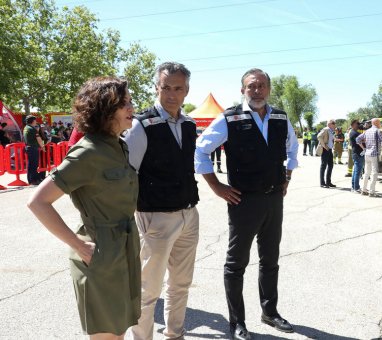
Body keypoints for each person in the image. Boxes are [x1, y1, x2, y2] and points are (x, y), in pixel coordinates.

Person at [27, 77, 139, 339]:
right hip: (100, 253)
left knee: (119, 330)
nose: (132, 107)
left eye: (130, 101)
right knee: (106, 334)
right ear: (105, 109)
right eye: (124, 103)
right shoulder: (87, 152)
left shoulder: (118, 145)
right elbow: (37, 202)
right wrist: (78, 245)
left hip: (125, 248)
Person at [195, 68, 299, 340]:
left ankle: (270, 312)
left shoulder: (279, 116)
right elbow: (201, 149)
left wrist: (287, 175)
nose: (257, 90)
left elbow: (292, 147)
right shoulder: (229, 117)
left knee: (270, 259)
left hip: (274, 199)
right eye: (251, 86)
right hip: (244, 201)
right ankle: (237, 323)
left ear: (269, 89)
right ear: (242, 90)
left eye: (262, 85)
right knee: (236, 263)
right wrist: (216, 186)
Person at [124, 62, 200, 340]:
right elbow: (127, 174)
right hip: (155, 216)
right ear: (156, 88)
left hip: (188, 215)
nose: (171, 93)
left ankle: (175, 334)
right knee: (148, 290)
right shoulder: (141, 125)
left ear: (187, 91)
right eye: (165, 87)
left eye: (177, 88)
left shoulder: (190, 124)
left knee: (181, 284)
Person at [356, 118, 382, 197]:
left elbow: (357, 139)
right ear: (376, 123)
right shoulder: (377, 131)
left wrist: (364, 148)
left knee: (367, 172)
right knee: (374, 173)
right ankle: (372, 192)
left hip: (367, 153)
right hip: (374, 154)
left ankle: (364, 190)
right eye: (379, 122)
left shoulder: (367, 131)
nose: (380, 124)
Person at [23, 115, 41, 185]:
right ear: (33, 121)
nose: (36, 122)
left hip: (29, 147)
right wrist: (42, 146)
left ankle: (30, 180)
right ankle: (34, 180)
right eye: (35, 120)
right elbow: (38, 138)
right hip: (33, 148)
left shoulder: (26, 128)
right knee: (34, 164)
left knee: (30, 164)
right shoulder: (32, 129)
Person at [317, 120, 336, 188]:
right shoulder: (326, 129)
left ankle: (328, 182)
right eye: (333, 123)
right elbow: (319, 136)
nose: (335, 125)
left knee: (330, 165)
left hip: (329, 150)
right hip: (325, 150)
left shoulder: (330, 131)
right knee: (323, 166)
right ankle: (322, 183)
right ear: (329, 124)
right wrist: (324, 146)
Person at [348, 119, 364, 193]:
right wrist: (364, 148)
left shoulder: (353, 132)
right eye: (357, 123)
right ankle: (356, 188)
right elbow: (360, 142)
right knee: (357, 171)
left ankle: (353, 187)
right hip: (358, 153)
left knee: (355, 171)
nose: (359, 125)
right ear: (353, 124)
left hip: (356, 153)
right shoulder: (354, 133)